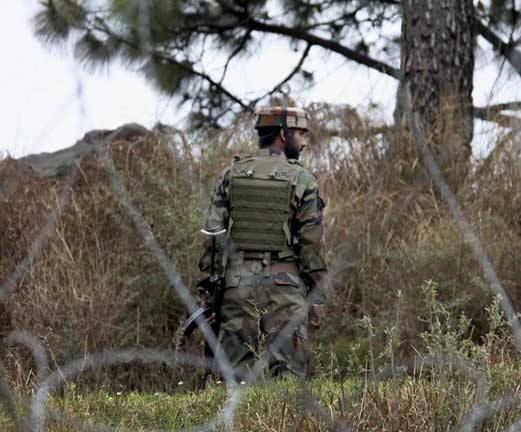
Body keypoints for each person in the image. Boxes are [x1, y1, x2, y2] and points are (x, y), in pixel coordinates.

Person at [198, 106, 327, 380]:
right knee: (288, 378)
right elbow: (311, 245)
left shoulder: (230, 175)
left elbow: (212, 236)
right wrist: (318, 297)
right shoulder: (302, 179)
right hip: (285, 288)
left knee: (234, 380)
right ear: (283, 134)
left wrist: (209, 297)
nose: (303, 142)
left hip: (236, 286)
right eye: (300, 133)